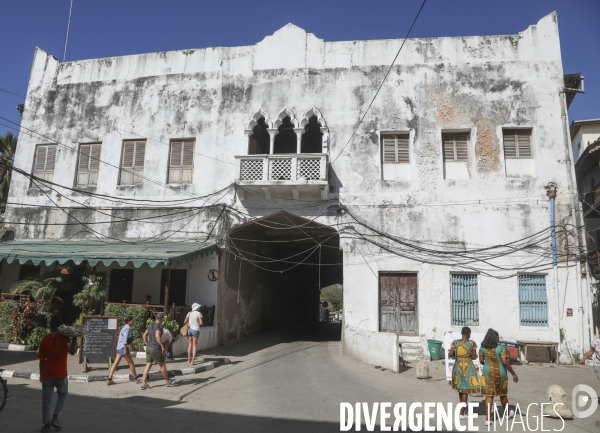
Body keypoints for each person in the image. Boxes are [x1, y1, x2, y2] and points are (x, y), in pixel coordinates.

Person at [37, 317, 77, 433]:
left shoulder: (45, 339)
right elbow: (73, 352)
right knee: (63, 394)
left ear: (50, 327)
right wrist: (74, 339)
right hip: (61, 374)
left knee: (46, 400)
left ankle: (46, 424)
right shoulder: (65, 338)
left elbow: (41, 359)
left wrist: (41, 374)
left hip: (47, 374)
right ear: (61, 327)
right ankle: (55, 418)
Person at [479, 329, 518, 426]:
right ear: (495, 338)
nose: (498, 338)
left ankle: (488, 419)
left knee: (489, 396)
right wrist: (513, 373)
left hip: (487, 374)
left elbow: (481, 361)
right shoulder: (501, 349)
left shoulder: (482, 348)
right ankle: (508, 413)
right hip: (500, 374)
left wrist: (488, 365)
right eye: (497, 337)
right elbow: (505, 362)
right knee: (502, 394)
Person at [448, 326, 480, 419]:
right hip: (468, 367)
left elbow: (450, 354)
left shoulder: (455, 342)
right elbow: (474, 357)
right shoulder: (472, 343)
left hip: (458, 366)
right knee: (465, 391)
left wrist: (457, 355)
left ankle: (462, 410)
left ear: (461, 333)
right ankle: (462, 413)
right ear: (469, 334)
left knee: (461, 389)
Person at [141, 313, 175, 389]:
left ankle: (144, 383)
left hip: (149, 347)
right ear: (161, 319)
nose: (163, 320)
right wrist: (162, 346)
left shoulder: (150, 325)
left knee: (148, 365)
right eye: (163, 319)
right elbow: (157, 336)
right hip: (156, 347)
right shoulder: (159, 326)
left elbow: (144, 335)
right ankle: (167, 381)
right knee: (162, 365)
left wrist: (147, 343)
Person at [107, 316, 141, 385]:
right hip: (123, 347)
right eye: (132, 321)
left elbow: (127, 339)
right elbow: (125, 339)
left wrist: (133, 347)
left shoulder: (124, 327)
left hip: (119, 347)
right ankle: (136, 378)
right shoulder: (127, 328)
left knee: (115, 364)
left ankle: (109, 379)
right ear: (129, 321)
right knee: (131, 363)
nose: (133, 322)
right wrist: (125, 349)